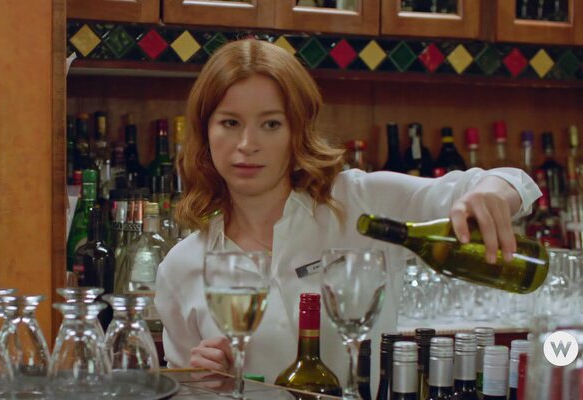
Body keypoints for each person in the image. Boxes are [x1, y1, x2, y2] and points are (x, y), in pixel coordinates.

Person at [154, 39, 540, 390]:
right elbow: (181, 389)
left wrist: (491, 193)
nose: (247, 144)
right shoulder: (182, 266)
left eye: (271, 123)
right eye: (230, 122)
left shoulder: (361, 202)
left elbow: (512, 182)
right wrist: (204, 381)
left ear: (297, 131)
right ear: (205, 131)